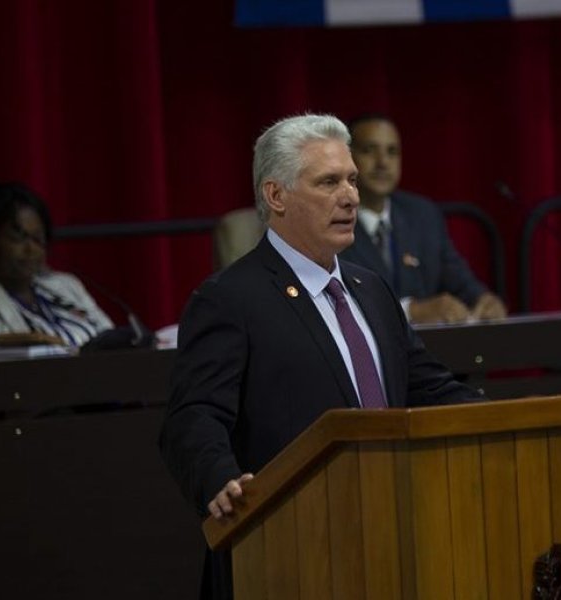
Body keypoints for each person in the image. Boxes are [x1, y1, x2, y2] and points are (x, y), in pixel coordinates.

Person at [159, 113, 482, 600]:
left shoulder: (370, 289)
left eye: (350, 179)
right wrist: (220, 480)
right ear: (276, 196)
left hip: (392, 539)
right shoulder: (229, 298)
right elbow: (194, 415)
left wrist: (497, 419)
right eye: (329, 182)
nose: (351, 196)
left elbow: (427, 386)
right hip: (284, 550)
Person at [343, 113, 507, 324]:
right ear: (348, 157)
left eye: (392, 152)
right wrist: (410, 312)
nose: (383, 162)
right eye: (369, 150)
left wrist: (484, 300)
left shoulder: (422, 215)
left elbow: (460, 281)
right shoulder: (332, 220)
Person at [0, 182, 113, 348]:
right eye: (19, 238)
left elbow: (111, 339)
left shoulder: (66, 286)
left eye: (38, 238)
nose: (31, 248)